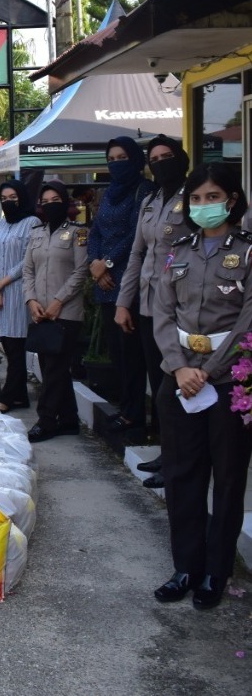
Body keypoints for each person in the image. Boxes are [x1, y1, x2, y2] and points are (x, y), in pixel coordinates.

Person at [151, 163, 252, 611]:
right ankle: (185, 567)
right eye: (196, 198)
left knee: (227, 479)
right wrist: (178, 368)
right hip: (181, 381)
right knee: (181, 477)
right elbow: (162, 313)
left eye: (213, 197)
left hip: (228, 381)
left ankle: (216, 570)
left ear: (231, 200)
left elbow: (248, 319)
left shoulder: (248, 252)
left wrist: (208, 369)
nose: (203, 206)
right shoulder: (178, 251)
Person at [116, 135, 191, 488]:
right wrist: (122, 302)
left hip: (183, 309)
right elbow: (136, 255)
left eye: (167, 156)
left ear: (181, 158)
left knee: (177, 387)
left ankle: (183, 458)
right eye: (155, 158)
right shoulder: (150, 201)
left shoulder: (195, 197)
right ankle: (167, 451)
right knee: (159, 382)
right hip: (148, 306)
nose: (161, 162)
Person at [87, 137, 153, 432]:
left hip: (130, 281)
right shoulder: (109, 193)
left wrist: (107, 263)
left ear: (137, 160)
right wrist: (94, 265)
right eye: (111, 158)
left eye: (122, 157)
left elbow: (136, 235)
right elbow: (95, 232)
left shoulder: (144, 191)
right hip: (105, 283)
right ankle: (125, 408)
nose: (116, 163)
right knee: (117, 353)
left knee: (133, 354)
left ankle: (136, 414)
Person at [23, 181, 89, 443]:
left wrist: (58, 301)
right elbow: (28, 270)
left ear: (65, 201)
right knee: (51, 367)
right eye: (46, 201)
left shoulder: (78, 232)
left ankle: (46, 420)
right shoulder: (36, 233)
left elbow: (81, 271)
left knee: (54, 369)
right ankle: (70, 420)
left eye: (55, 200)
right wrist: (31, 300)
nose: (51, 205)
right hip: (40, 311)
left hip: (66, 313)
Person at [0, 180, 36, 412]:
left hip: (17, 291)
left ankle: (7, 398)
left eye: (13, 197)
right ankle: (20, 397)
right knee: (7, 346)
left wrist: (2, 284)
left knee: (16, 349)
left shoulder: (32, 223)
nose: (8, 201)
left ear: (22, 197)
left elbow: (27, 259)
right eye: (4, 198)